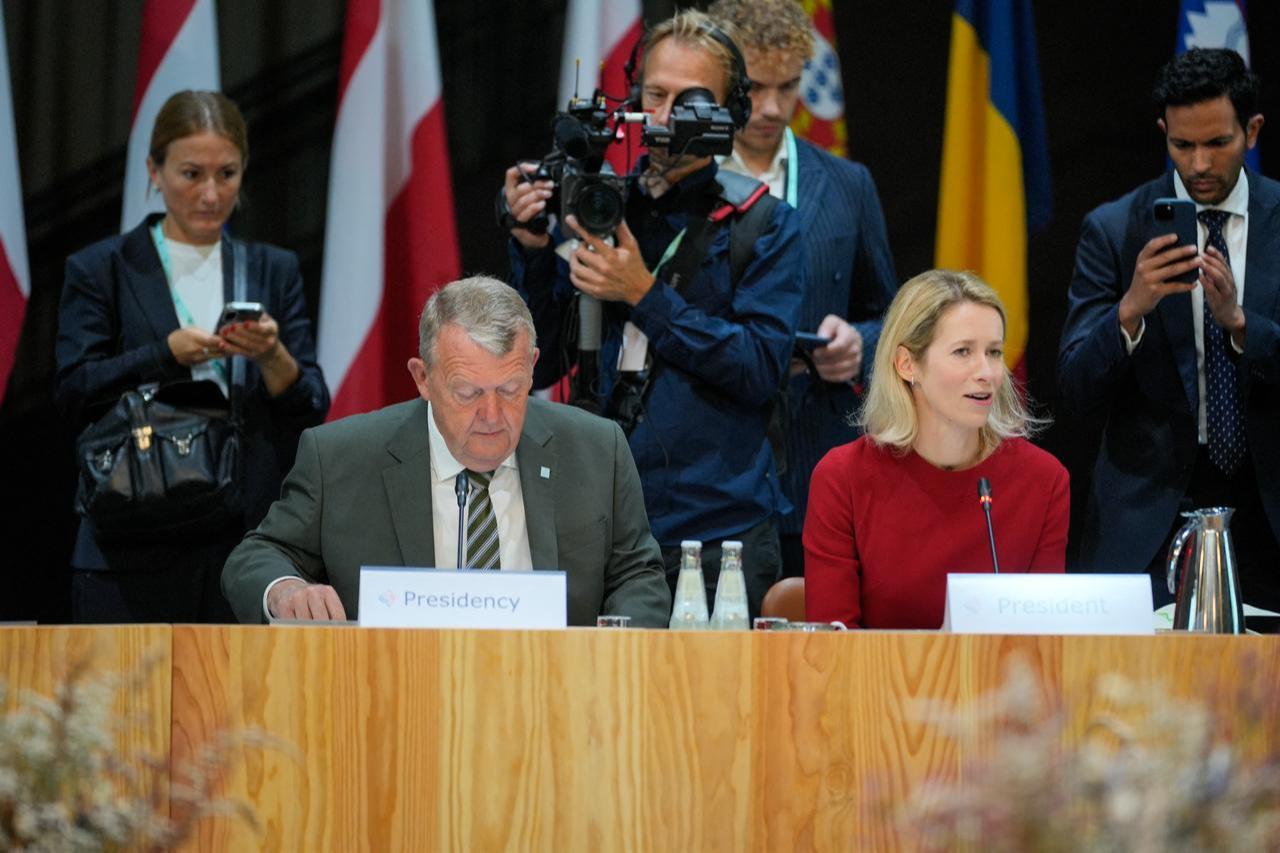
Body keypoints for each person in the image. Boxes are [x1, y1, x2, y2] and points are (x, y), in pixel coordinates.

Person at [502, 10, 803, 620]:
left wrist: (644, 293)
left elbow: (757, 368)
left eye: (688, 100)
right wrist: (532, 251)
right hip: (600, 520)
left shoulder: (764, 225)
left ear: (731, 111)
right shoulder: (601, 205)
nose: (663, 117)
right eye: (654, 96)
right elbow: (539, 363)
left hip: (720, 533)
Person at [221, 276, 672, 627]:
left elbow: (638, 576)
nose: (493, 415)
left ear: (533, 368)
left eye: (510, 389)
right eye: (468, 392)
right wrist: (284, 589)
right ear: (422, 378)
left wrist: (617, 654)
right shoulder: (340, 457)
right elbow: (256, 556)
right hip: (398, 702)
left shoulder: (596, 449)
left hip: (557, 698)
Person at [56, 90, 330, 623]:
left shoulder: (272, 268)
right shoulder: (101, 268)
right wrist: (164, 355)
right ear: (153, 171)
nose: (210, 193)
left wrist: (272, 355)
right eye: (191, 174)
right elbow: (72, 392)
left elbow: (311, 406)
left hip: (243, 544)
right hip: (130, 541)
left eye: (227, 174)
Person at [1058, 48, 1280, 610]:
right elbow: (1073, 387)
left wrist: (1241, 324)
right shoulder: (1112, 230)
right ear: (1163, 133)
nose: (1200, 164)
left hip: (1268, 509)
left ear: (1252, 131)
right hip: (1147, 520)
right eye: (1183, 145)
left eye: (1218, 143)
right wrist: (1129, 311)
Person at [706, 0, 897, 580]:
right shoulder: (683, 181)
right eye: (755, 87)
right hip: (710, 466)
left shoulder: (847, 183)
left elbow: (890, 312)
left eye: (788, 87)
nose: (770, 107)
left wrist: (859, 341)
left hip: (817, 462)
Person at [805, 270, 1068, 629]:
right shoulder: (842, 478)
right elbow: (831, 648)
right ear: (907, 364)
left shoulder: (1043, 480)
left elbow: (1046, 643)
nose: (987, 372)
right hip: (877, 684)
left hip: (1000, 685)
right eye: (963, 352)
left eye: (993, 352)